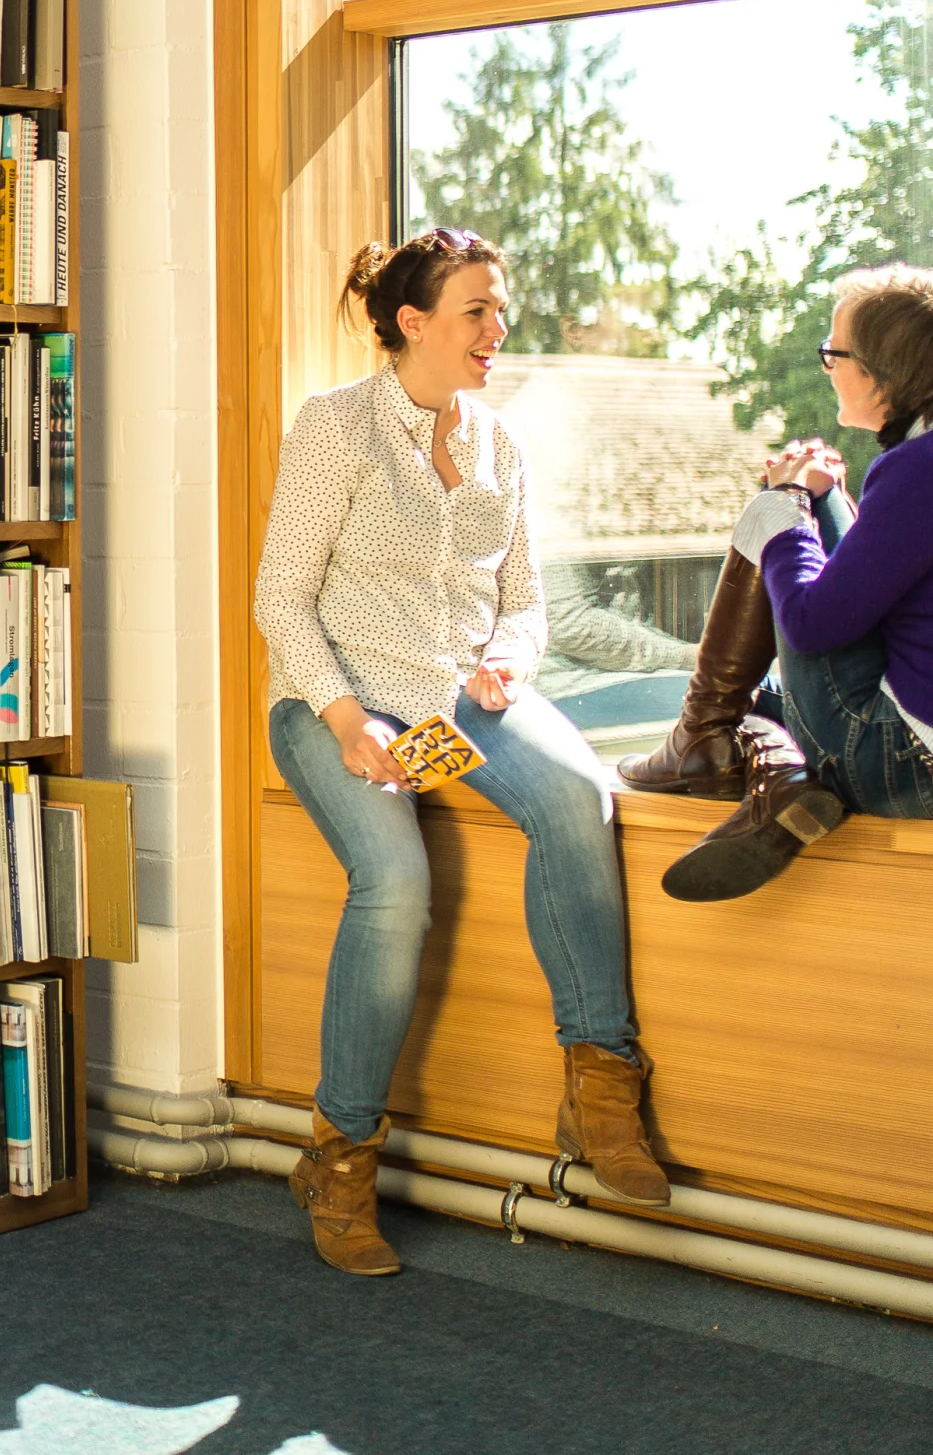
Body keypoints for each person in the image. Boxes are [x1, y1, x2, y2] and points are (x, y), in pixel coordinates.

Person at [254, 228, 670, 1279]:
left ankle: (600, 1088)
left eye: (500, 308)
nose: (498, 327)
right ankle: (339, 1158)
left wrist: (509, 660)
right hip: (335, 698)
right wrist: (347, 720)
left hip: (460, 697)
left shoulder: (499, 443)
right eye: (478, 309)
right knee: (395, 882)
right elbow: (280, 599)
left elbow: (525, 601)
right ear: (414, 321)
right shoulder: (335, 426)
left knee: (578, 796)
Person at [618, 264, 933, 901]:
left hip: (912, 770)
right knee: (804, 513)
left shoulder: (925, 468)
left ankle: (715, 745)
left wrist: (786, 506)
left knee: (771, 512)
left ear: (882, 373)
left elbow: (813, 625)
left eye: (834, 354)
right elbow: (881, 587)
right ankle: (756, 760)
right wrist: (824, 496)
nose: (828, 368)